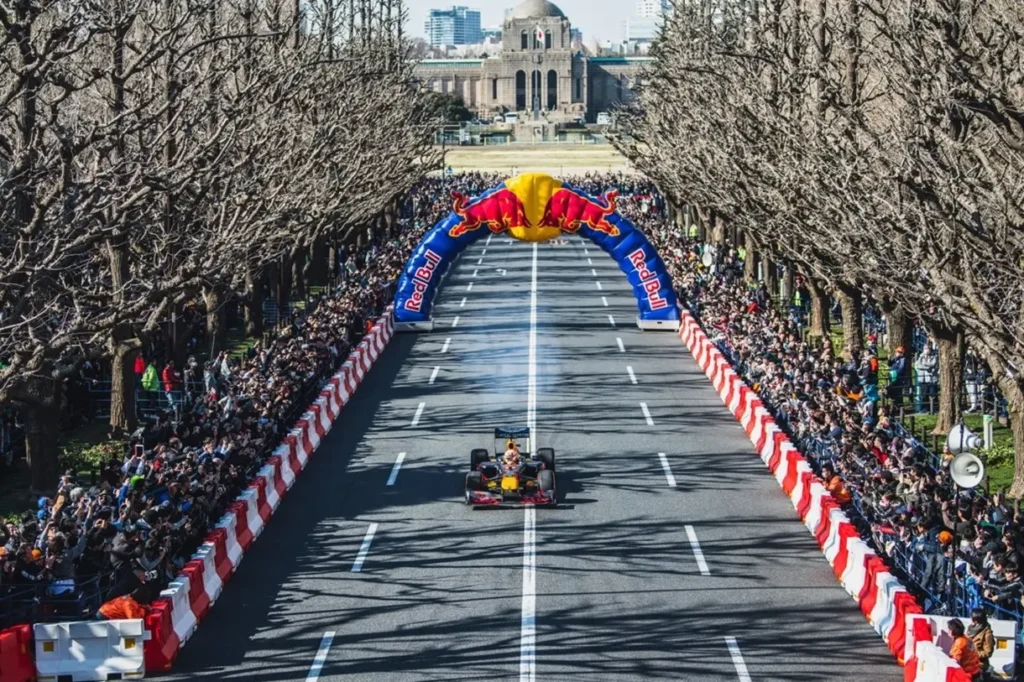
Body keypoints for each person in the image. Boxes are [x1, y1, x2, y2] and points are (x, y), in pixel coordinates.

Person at [967, 608, 994, 673]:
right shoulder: (971, 628)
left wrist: (974, 654)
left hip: (979, 666)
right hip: (969, 663)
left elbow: (988, 653)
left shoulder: (987, 633)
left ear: (976, 621)